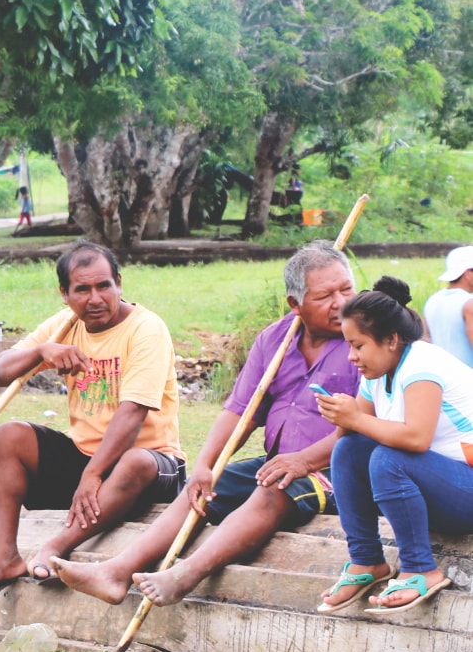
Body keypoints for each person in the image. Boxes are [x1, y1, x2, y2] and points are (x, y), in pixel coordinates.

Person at [52, 242, 359, 607]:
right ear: (296, 304)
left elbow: (364, 424)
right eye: (325, 296)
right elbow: (239, 413)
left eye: (346, 290)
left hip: (340, 470)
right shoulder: (276, 339)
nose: (341, 303)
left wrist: (303, 461)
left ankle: (184, 575)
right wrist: (204, 465)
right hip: (280, 464)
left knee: (272, 488)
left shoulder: (364, 341)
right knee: (205, 487)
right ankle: (116, 572)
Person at [0, 243, 185, 603]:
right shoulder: (64, 327)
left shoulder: (146, 329)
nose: (95, 299)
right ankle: (3, 558)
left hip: (151, 463)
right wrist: (41, 351)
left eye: (104, 286)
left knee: (135, 460)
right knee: (9, 436)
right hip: (85, 459)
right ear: (65, 294)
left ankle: (56, 547)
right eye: (82, 289)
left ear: (119, 283)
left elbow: (132, 414)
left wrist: (92, 475)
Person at [314, 277, 473, 614]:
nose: (351, 356)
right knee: (349, 450)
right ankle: (366, 561)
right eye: (349, 345)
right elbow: (355, 438)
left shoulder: (421, 366)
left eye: (358, 346)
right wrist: (343, 417)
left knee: (389, 458)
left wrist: (355, 419)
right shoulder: (378, 372)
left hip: (466, 485)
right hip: (446, 486)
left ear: (391, 340)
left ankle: (421, 569)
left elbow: (416, 439)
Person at [423, 245, 473, 369]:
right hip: (466, 379)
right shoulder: (468, 304)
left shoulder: (432, 301)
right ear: (467, 273)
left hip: (442, 377)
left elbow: (425, 339)